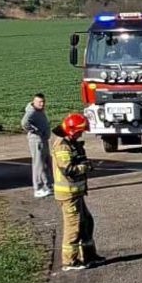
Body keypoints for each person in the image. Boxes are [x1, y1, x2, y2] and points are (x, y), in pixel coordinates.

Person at [51, 112, 101, 270]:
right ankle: (69, 261)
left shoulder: (71, 143)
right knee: (73, 227)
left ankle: (89, 256)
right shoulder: (62, 145)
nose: (81, 134)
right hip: (68, 194)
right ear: (72, 130)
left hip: (76, 192)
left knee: (86, 222)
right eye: (79, 132)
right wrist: (85, 167)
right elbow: (68, 169)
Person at [21, 93, 51, 198]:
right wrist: (35, 130)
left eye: (43, 102)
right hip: (37, 141)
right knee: (38, 164)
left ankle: (47, 185)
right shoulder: (32, 112)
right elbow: (24, 123)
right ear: (34, 102)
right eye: (39, 102)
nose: (42, 104)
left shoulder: (40, 110)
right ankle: (38, 188)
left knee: (45, 163)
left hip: (43, 140)